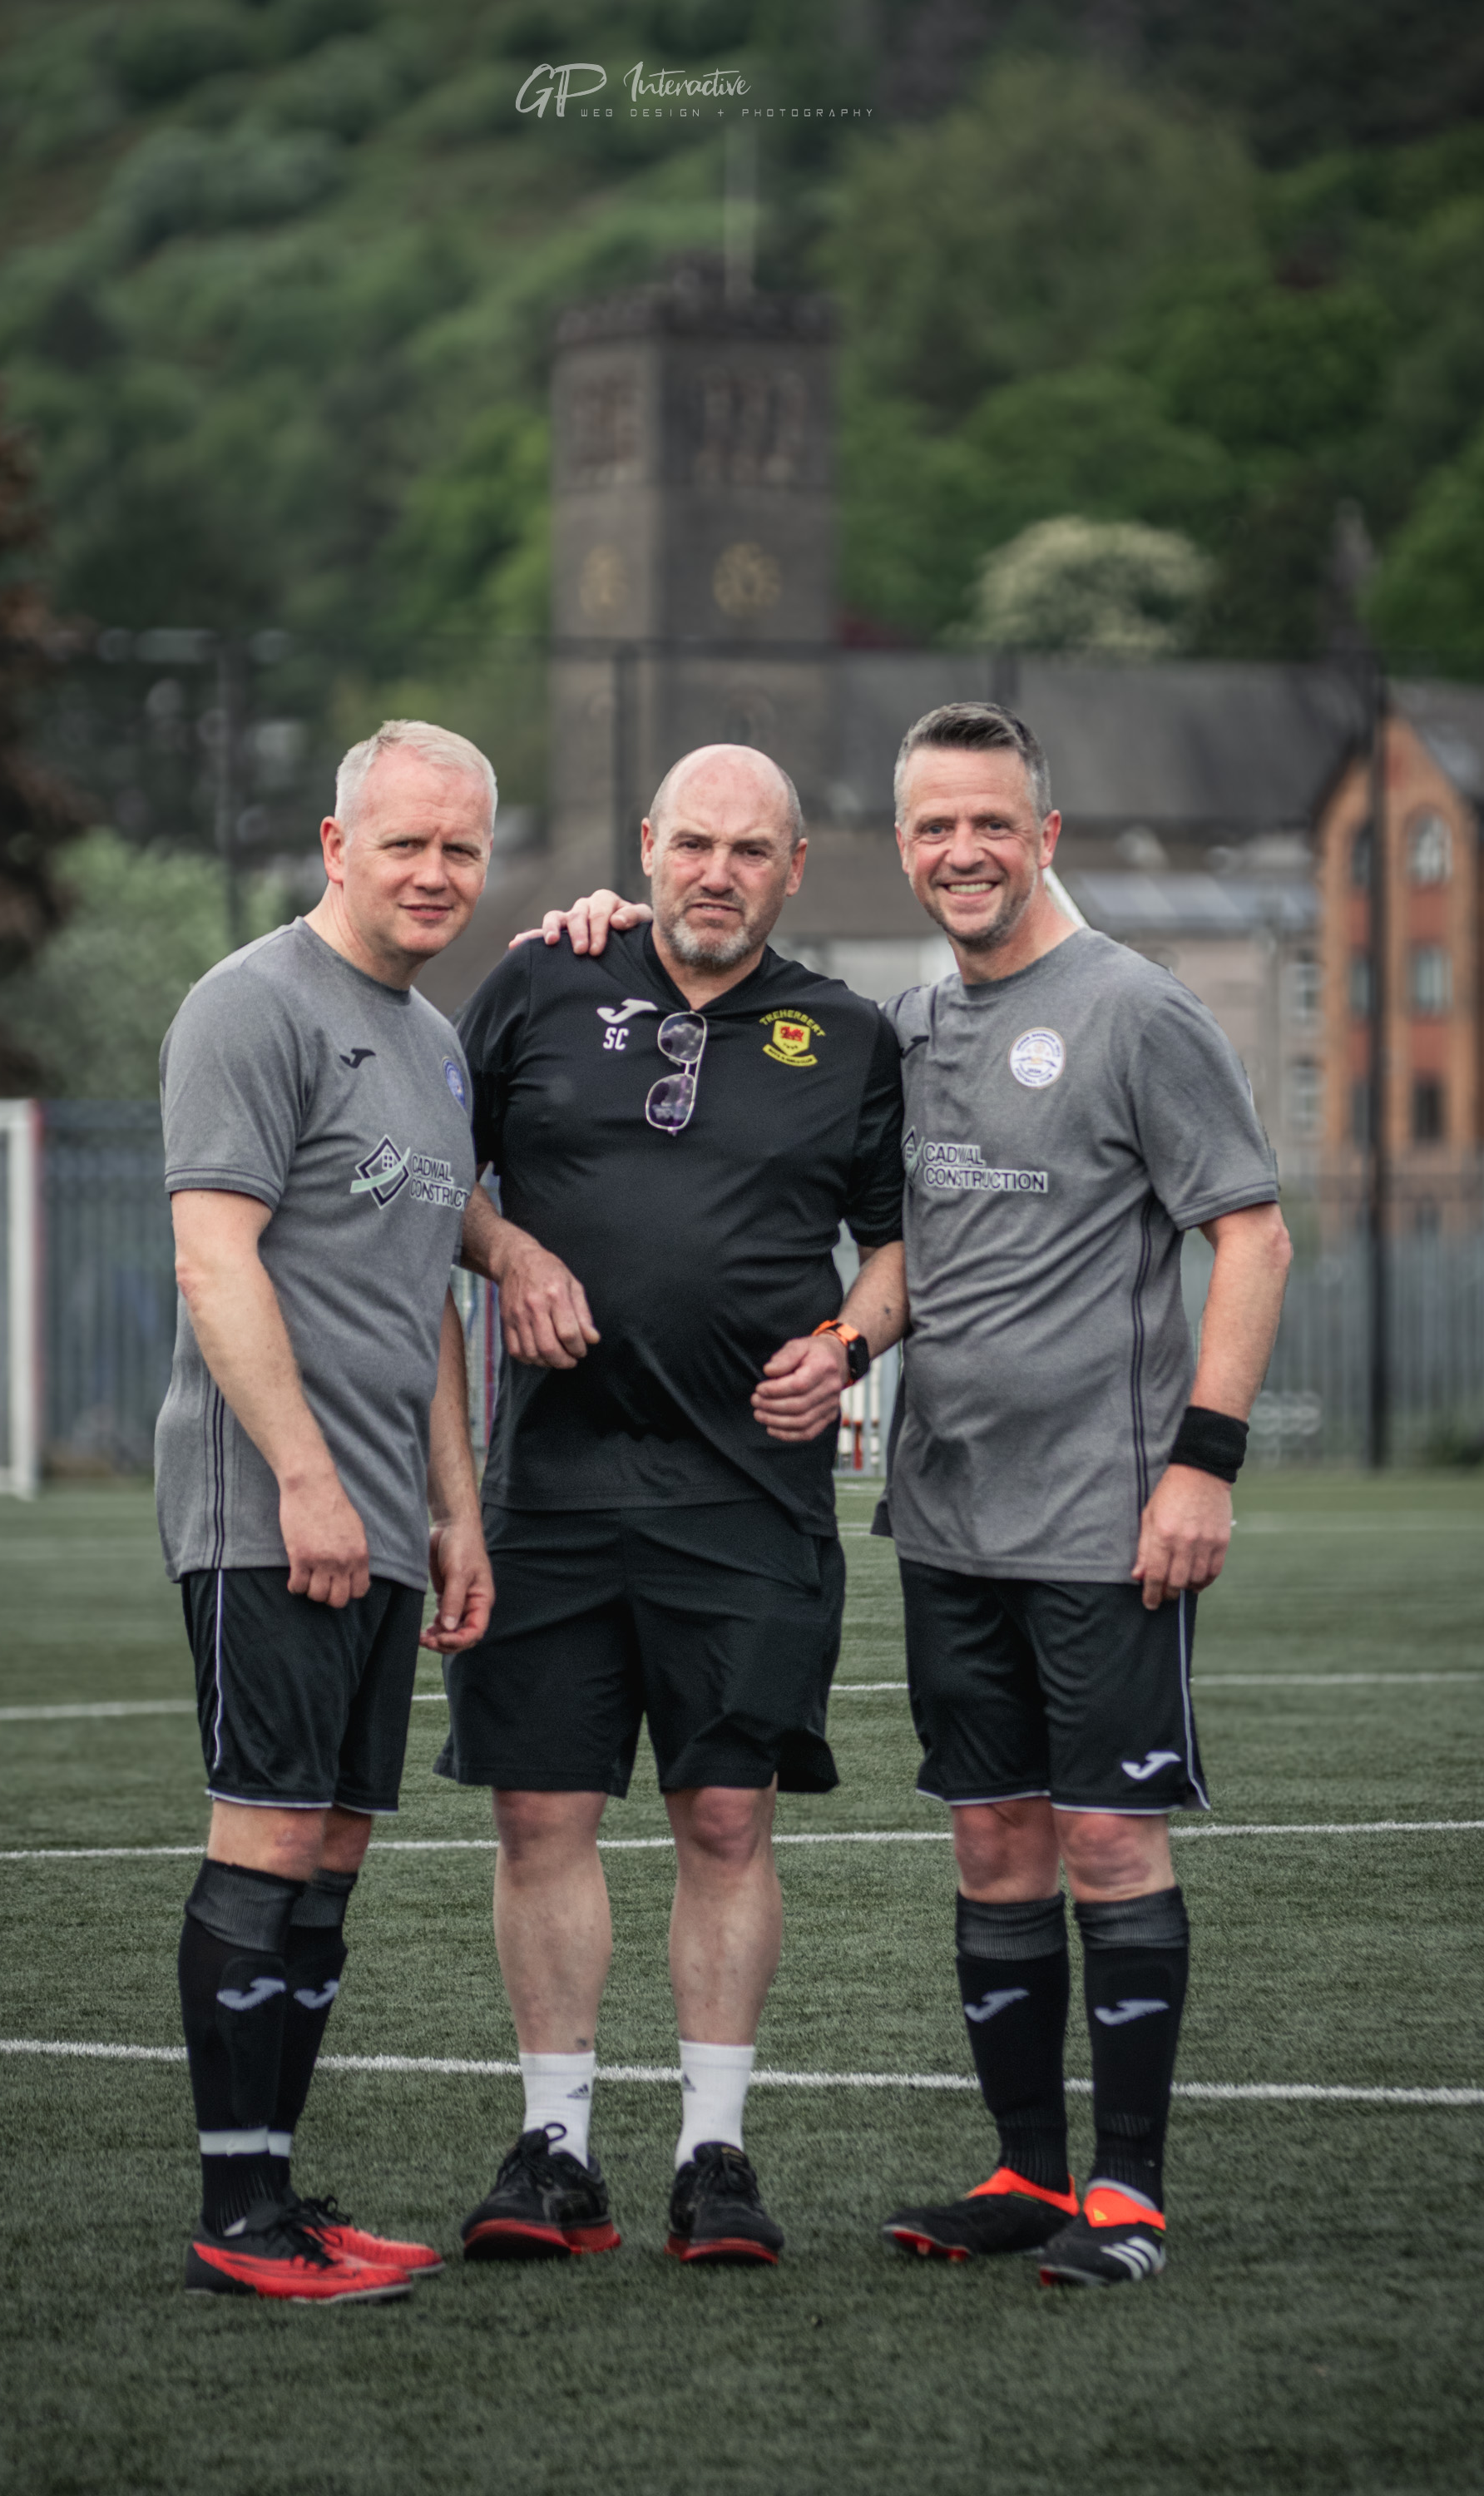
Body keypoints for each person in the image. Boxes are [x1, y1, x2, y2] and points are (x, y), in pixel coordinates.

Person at [524, 698, 1292, 2292]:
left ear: (1045, 835)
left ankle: (1129, 2197)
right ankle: (1027, 2169)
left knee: (1108, 1847)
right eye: (934, 826)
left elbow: (1254, 1234)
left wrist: (1203, 1464)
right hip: (944, 1517)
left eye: (990, 825)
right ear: (896, 844)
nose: (961, 852)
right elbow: (894, 1255)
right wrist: (597, 930)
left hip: (1109, 1515)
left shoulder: (1139, 1013)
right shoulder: (905, 1030)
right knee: (994, 1847)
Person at [442, 742, 907, 2266]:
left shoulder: (851, 1035)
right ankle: (555, 2149)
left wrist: (845, 1345)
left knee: (725, 1813)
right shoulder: (535, 983)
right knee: (540, 1813)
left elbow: (902, 1249)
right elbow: (426, 1177)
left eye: (750, 851)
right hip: (553, 1489)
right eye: (693, 843)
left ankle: (715, 2154)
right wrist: (510, 1255)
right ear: (645, 846)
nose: (717, 872)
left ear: (794, 867)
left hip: (748, 1495)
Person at [155, 719, 496, 2303]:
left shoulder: (430, 1042)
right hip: (266, 1505)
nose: (435, 873)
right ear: (335, 842)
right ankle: (238, 2220)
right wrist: (301, 1473)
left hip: (378, 1524)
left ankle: (280, 2192)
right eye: (408, 842)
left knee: (336, 1852)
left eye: (463, 850)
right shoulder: (251, 1004)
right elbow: (214, 1261)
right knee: (270, 1832)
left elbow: (425, 1298)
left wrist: (452, 1512)